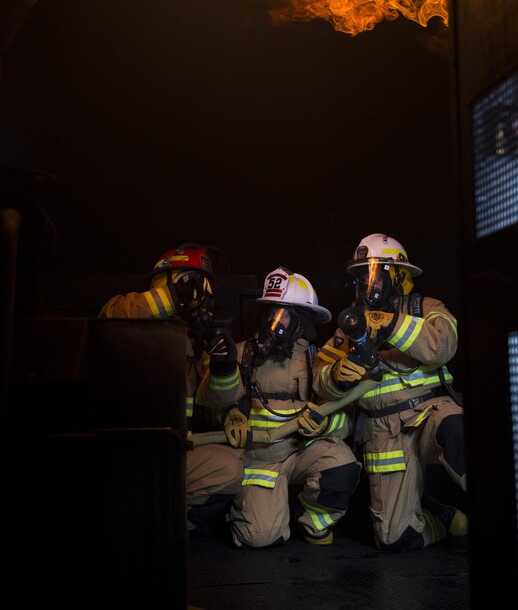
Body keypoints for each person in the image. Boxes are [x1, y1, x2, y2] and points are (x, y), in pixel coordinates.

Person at [313, 233, 468, 552]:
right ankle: (438, 515)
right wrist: (336, 376)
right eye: (361, 276)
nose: (368, 284)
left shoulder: (425, 307)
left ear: (400, 277)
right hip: (383, 431)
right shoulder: (349, 327)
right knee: (395, 539)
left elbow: (444, 345)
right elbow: (319, 380)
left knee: (458, 430)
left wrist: (391, 323)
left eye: (376, 275)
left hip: (430, 414)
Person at [99, 242, 246, 532]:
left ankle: (166, 532)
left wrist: (225, 371)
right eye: (194, 286)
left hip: (174, 453)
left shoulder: (195, 346)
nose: (203, 298)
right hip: (125, 458)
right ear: (165, 285)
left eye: (206, 291)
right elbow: (107, 319)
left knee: (229, 467)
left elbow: (212, 402)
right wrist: (170, 298)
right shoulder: (128, 319)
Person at [223, 266, 361, 548]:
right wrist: (230, 413)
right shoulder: (241, 354)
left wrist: (324, 424)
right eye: (272, 312)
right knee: (258, 538)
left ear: (303, 320)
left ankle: (308, 518)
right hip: (259, 462)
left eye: (286, 314)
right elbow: (213, 406)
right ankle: (255, 505)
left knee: (341, 463)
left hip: (300, 453)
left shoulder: (317, 361)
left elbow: (345, 418)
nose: (277, 321)